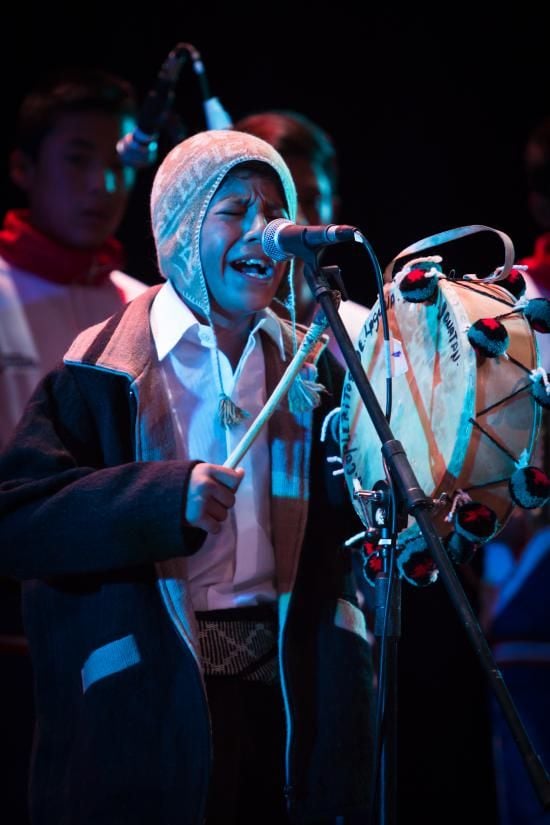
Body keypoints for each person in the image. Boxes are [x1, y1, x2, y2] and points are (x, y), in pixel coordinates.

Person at [0, 128, 374, 824]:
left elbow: (349, 521)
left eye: (276, 211)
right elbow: (17, 519)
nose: (265, 232)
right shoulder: (101, 369)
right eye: (235, 210)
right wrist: (162, 499)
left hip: (287, 701)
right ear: (179, 225)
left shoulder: (314, 364)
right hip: (155, 704)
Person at [0, 66, 147, 824]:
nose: (103, 183)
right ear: (23, 168)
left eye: (119, 161)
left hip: (119, 616)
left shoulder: (142, 305)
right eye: (78, 159)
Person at [232, 110, 371, 367]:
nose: (296, 221)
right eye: (277, 203)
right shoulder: (194, 340)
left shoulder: (371, 339)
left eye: (309, 200)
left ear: (333, 212)